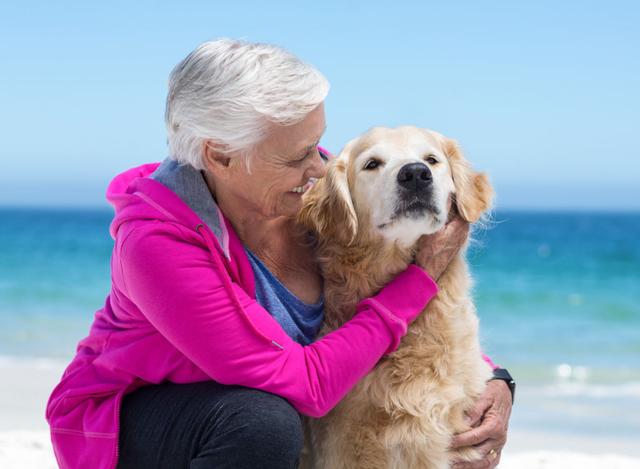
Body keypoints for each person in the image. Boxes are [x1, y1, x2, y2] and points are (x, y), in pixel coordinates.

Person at [46, 39, 513, 469]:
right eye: (297, 157)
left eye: (316, 144)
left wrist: (493, 378)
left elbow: (378, 290)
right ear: (221, 156)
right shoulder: (156, 246)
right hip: (134, 420)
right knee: (263, 423)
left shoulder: (304, 192)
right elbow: (308, 386)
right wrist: (425, 274)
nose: (319, 168)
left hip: (255, 400)